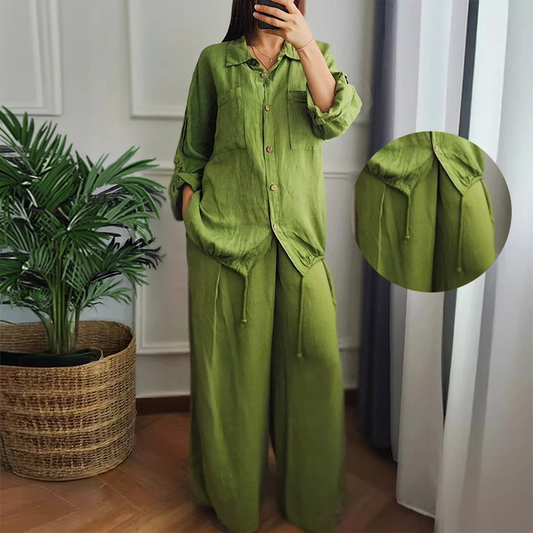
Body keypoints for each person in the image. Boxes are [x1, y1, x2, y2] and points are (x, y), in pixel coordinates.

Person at [168, 1, 362, 531]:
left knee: (315, 371)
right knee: (231, 377)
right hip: (227, 240)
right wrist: (193, 209)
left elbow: (337, 117)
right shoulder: (215, 62)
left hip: (299, 242)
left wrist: (304, 43)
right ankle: (234, 502)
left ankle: (312, 501)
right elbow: (192, 151)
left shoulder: (316, 55)